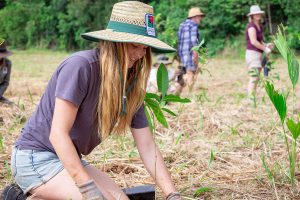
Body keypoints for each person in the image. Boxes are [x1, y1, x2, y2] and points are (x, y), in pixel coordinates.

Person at [9, 1, 182, 200]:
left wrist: (172, 194)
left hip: (68, 159)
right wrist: (88, 190)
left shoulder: (130, 87)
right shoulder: (81, 67)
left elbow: (147, 146)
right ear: (114, 43)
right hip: (36, 157)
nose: (140, 54)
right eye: (135, 46)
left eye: (145, 48)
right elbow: (57, 135)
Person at [245, 5, 274, 98]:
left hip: (259, 54)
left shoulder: (259, 26)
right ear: (252, 16)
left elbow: (259, 41)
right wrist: (265, 49)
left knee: (257, 78)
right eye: (255, 14)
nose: (258, 15)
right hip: (252, 54)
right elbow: (253, 41)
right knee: (253, 77)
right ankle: (250, 99)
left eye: (259, 13)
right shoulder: (251, 26)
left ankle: (253, 98)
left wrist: (266, 45)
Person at [177, 7, 204, 91]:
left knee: (188, 72)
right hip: (190, 53)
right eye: (199, 16)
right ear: (195, 17)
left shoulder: (182, 25)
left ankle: (179, 89)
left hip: (182, 54)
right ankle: (189, 94)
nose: (200, 19)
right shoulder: (193, 26)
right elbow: (194, 42)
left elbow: (179, 40)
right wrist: (195, 55)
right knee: (191, 73)